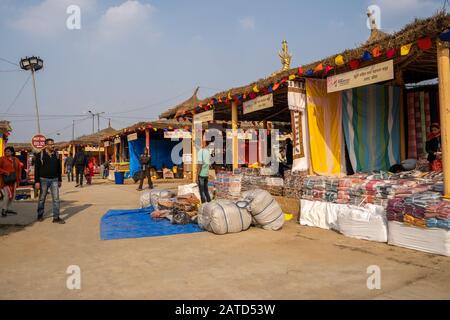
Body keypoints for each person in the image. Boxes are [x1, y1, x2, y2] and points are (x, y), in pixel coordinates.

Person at [35, 139, 64, 224]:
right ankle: (40, 215)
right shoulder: (40, 155)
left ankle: (56, 217)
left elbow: (59, 168)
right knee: (42, 198)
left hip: (54, 179)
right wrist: (37, 181)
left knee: (56, 199)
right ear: (46, 145)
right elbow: (37, 169)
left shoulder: (56, 154)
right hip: (43, 179)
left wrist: (59, 180)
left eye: (53, 144)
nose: (52, 146)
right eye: (50, 144)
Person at [0, 146, 21, 217]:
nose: (6, 152)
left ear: (12, 152)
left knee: (13, 196)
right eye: (5, 151)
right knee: (8, 195)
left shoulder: (16, 159)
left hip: (14, 180)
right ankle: (3, 210)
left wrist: (19, 180)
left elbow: (19, 170)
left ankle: (7, 208)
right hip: (5, 180)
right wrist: (4, 172)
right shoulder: (2, 159)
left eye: (8, 151)